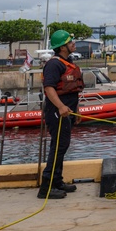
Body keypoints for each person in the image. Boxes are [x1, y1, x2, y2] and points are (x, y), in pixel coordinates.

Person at [38, 30, 84, 199]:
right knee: (57, 147)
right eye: (70, 42)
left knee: (62, 147)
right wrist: (61, 107)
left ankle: (57, 181)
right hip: (57, 112)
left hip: (67, 112)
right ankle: (46, 187)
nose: (73, 44)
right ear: (62, 47)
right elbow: (49, 88)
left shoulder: (68, 62)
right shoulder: (54, 64)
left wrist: (75, 110)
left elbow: (73, 92)